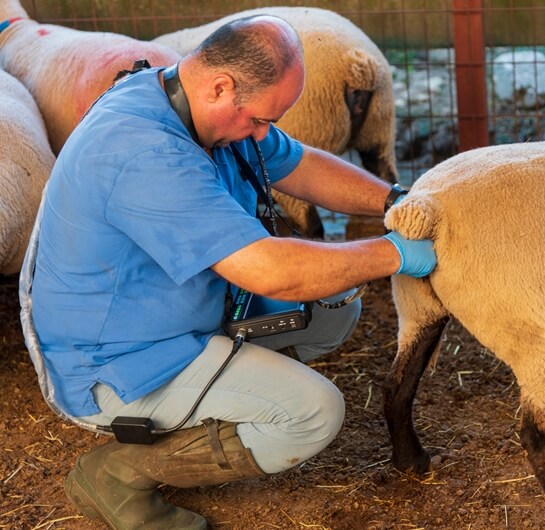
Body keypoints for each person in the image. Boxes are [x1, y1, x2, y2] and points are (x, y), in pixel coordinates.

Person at [21, 15, 435, 530]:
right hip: (116, 360)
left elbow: (299, 164)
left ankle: (231, 395)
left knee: (334, 304)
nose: (264, 134)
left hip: (179, 306)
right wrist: (395, 253)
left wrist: (399, 202)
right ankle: (121, 473)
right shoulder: (144, 152)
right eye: (262, 120)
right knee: (315, 413)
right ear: (222, 86)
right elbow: (268, 271)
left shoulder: (193, 103)